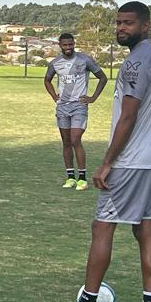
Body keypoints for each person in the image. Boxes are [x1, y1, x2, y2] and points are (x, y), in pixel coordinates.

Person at [51, 1, 151, 302]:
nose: (120, 28)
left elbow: (128, 116)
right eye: (118, 22)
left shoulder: (135, 62)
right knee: (145, 230)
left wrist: (106, 163)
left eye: (128, 23)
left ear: (145, 26)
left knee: (102, 226)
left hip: (131, 162)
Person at [44, 33, 108, 189]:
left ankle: (82, 178)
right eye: (65, 45)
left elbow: (102, 78)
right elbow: (47, 80)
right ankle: (70, 177)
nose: (68, 48)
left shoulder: (84, 60)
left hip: (79, 105)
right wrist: (54, 95)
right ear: (59, 45)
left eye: (70, 44)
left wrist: (93, 98)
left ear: (74, 44)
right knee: (66, 142)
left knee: (75, 139)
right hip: (62, 106)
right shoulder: (55, 63)